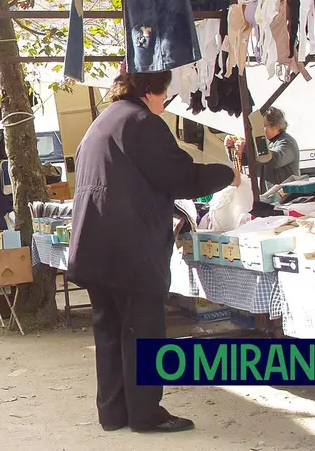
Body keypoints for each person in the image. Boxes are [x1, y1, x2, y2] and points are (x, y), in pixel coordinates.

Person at [67, 72, 238, 434]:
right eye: (163, 94)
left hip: (95, 246)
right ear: (149, 92)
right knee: (143, 332)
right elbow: (179, 176)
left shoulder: (101, 123)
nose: (165, 101)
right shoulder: (142, 121)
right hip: (129, 249)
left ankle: (113, 412)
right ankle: (145, 413)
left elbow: (127, 181)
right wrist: (228, 174)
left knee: (110, 331)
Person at [241, 107, 300, 193]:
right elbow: (246, 161)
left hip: (286, 198)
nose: (262, 130)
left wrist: (248, 146)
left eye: (264, 126)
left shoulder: (287, 142)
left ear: (275, 126)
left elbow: (275, 160)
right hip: (271, 198)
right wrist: (237, 150)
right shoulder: (269, 143)